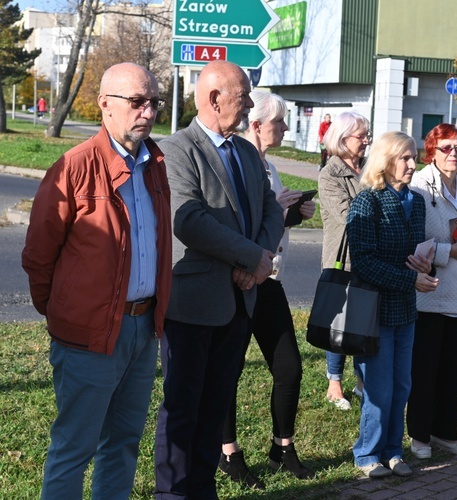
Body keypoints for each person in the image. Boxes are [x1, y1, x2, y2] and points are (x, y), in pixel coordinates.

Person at [21, 62, 171, 499]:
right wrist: (65, 312)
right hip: (87, 336)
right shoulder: (73, 166)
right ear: (105, 105)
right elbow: (38, 256)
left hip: (142, 330)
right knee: (75, 447)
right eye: (137, 101)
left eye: (154, 102)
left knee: (123, 444)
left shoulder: (155, 164)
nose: (147, 112)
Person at [153, 61, 284, 499]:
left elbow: (269, 209)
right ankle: (172, 493)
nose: (248, 104)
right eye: (242, 96)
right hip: (193, 303)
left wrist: (257, 261)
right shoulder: (176, 150)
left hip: (239, 302)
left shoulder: (246, 151)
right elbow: (187, 220)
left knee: (215, 408)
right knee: (182, 409)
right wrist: (252, 257)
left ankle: (202, 488)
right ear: (213, 99)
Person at [218, 90, 315, 489]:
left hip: (269, 279)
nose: (287, 128)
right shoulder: (234, 162)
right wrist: (277, 206)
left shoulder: (270, 167)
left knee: (289, 365)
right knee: (229, 371)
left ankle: (282, 447)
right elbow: (232, 223)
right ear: (256, 125)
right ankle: (228, 453)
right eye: (280, 122)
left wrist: (291, 214)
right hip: (237, 281)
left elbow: (268, 222)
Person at [346, 130, 438, 478]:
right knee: (378, 389)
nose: (413, 165)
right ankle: (367, 454)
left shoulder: (415, 201)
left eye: (414, 157)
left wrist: (425, 266)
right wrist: (410, 278)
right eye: (406, 158)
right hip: (375, 311)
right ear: (386, 161)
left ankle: (393, 450)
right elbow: (365, 261)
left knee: (402, 386)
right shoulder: (367, 201)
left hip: (407, 310)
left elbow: (416, 250)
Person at [408, 124, 457, 459]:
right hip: (432, 292)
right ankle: (420, 437)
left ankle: (445, 432)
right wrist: (446, 252)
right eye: (445, 148)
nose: (453, 154)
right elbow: (411, 240)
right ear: (432, 151)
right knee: (425, 369)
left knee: (454, 368)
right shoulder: (419, 186)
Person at [318, 110, 369, 410]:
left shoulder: (369, 168)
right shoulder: (330, 173)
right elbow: (349, 215)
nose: (366, 141)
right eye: (360, 136)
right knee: (338, 324)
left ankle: (362, 382)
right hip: (341, 259)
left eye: (367, 135)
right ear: (342, 138)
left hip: (368, 258)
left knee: (363, 322)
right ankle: (334, 384)